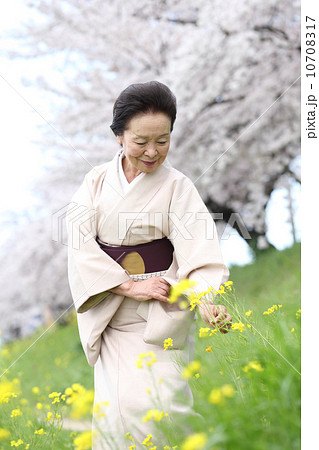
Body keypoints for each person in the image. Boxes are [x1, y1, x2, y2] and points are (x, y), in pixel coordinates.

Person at [66, 81, 232, 449]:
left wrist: (206, 299)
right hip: (113, 316)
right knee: (117, 414)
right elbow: (78, 242)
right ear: (119, 136)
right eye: (141, 142)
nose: (153, 152)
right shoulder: (95, 182)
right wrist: (127, 285)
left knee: (165, 407)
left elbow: (198, 249)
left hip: (162, 315)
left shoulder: (178, 186)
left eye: (163, 140)